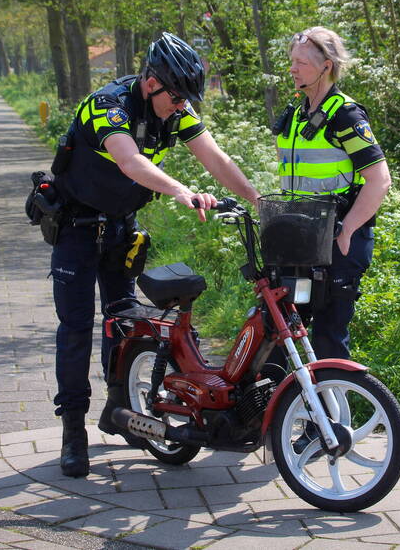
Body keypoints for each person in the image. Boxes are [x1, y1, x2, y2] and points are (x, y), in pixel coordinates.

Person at [49, 32, 260, 477]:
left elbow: (216, 160)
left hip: (120, 229)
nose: (182, 106)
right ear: (151, 83)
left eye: (187, 98)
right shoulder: (108, 105)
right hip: (77, 226)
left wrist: (259, 201)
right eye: (177, 96)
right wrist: (182, 192)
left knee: (124, 322)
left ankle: (119, 411)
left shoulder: (176, 112)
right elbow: (130, 162)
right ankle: (73, 430)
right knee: (75, 329)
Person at [274, 26, 391, 362]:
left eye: (300, 63)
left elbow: (379, 180)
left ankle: (333, 413)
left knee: (327, 340)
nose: (292, 69)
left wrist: (349, 229)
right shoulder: (297, 112)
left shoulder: (345, 115)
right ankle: (281, 411)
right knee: (281, 335)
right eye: (291, 61)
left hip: (338, 240)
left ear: (326, 65)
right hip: (300, 239)